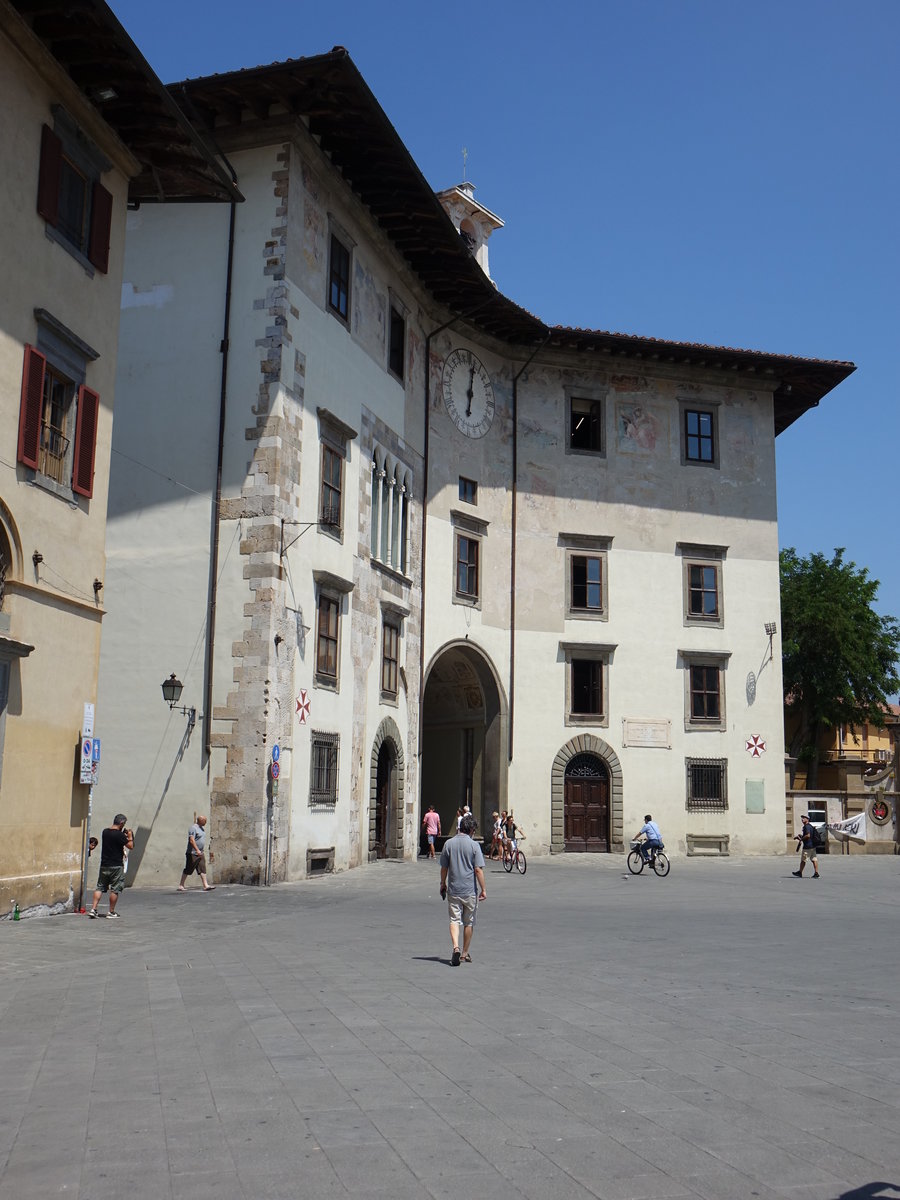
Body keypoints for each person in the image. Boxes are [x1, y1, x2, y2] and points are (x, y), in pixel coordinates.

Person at [439, 813, 486, 965]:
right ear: (471, 830)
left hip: (453, 889)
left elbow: (444, 867)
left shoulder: (449, 844)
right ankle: (464, 954)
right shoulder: (474, 846)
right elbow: (478, 869)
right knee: (469, 922)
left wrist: (442, 883)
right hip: (469, 890)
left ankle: (456, 947)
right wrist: (483, 889)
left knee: (454, 919)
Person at [89, 814, 133, 919]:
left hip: (104, 864)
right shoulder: (120, 835)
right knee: (115, 889)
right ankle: (111, 911)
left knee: (99, 887)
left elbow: (115, 840)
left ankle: (93, 909)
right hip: (116, 865)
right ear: (121, 823)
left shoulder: (105, 832)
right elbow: (130, 846)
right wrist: (130, 836)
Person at [177, 815, 216, 891]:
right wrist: (197, 850)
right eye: (205, 820)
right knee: (188, 869)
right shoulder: (193, 828)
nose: (206, 822)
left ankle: (205, 885)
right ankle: (181, 885)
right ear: (200, 820)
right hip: (192, 853)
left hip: (200, 853)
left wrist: (200, 851)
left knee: (202, 868)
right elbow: (191, 840)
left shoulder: (201, 829)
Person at [793, 815, 821, 879]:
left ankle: (800, 872)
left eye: (804, 818)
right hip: (813, 846)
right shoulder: (810, 826)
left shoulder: (806, 827)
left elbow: (808, 835)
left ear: (807, 819)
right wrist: (800, 836)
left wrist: (801, 839)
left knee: (803, 860)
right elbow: (808, 836)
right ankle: (816, 873)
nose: (802, 819)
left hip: (807, 847)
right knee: (814, 859)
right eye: (802, 818)